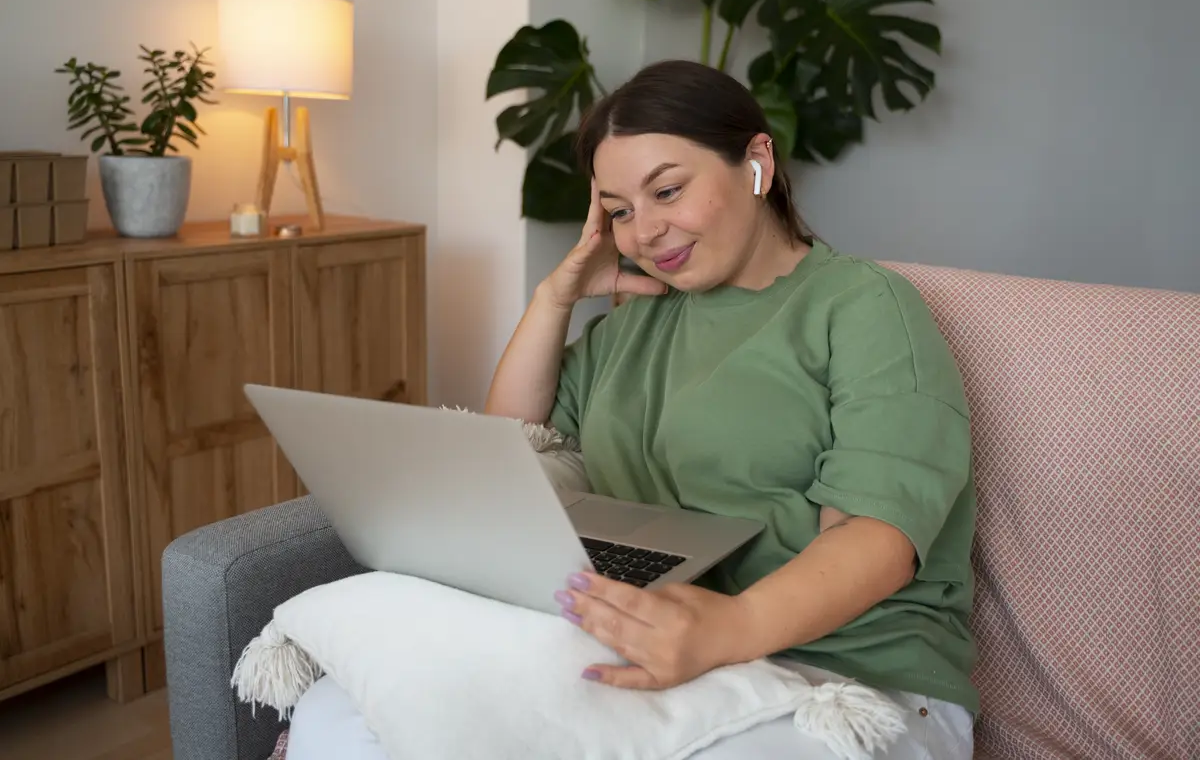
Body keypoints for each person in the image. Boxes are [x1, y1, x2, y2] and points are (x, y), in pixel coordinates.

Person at [287, 59, 978, 759]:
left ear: (757, 162)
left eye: (668, 190)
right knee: (340, 714)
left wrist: (728, 629)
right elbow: (511, 457)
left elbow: (877, 539)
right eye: (619, 210)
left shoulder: (863, 307)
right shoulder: (633, 327)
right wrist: (554, 299)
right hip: (663, 647)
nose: (645, 231)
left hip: (848, 680)